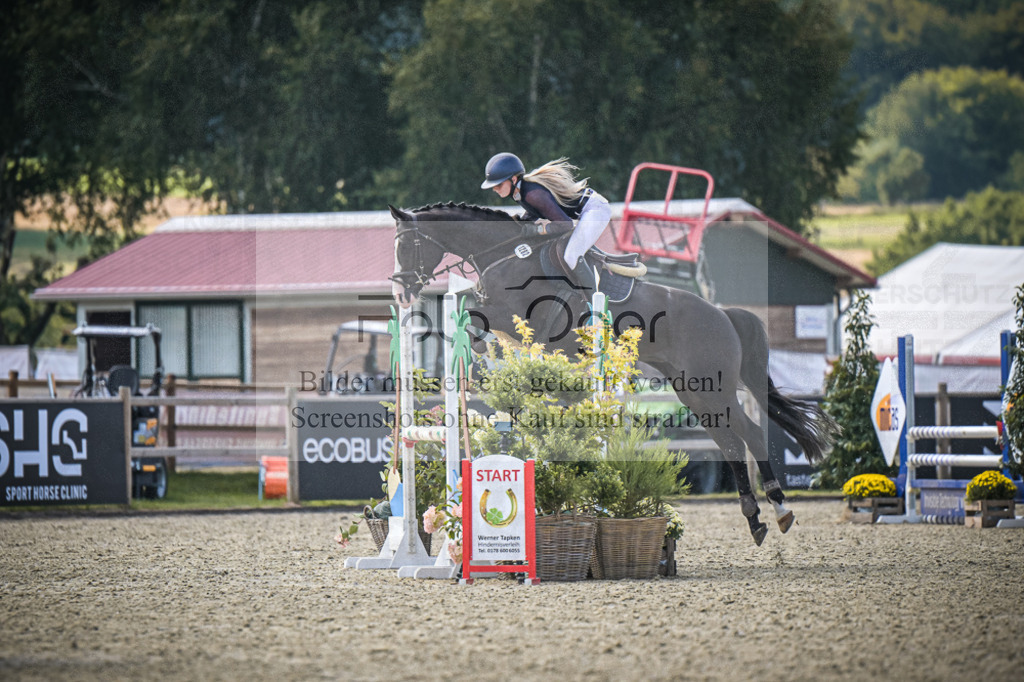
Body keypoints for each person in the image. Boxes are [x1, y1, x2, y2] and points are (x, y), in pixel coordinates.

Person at [481, 153, 611, 291]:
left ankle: (595, 304)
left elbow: (565, 225)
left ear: (513, 179)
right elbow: (534, 212)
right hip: (585, 210)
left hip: (595, 210)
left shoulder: (533, 194)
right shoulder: (520, 191)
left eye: (499, 184)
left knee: (571, 256)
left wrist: (537, 230)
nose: (495, 189)